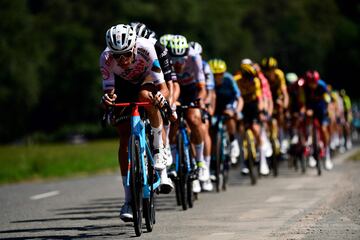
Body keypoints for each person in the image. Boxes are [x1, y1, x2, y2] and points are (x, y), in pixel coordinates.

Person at [99, 24, 173, 222]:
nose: (122, 60)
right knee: (124, 135)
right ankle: (129, 199)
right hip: (122, 86)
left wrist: (160, 99)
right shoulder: (106, 58)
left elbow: (163, 87)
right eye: (117, 55)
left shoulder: (147, 48)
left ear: (133, 47)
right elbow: (109, 91)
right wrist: (108, 100)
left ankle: (158, 148)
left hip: (145, 80)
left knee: (146, 97)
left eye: (125, 54)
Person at [167, 35, 207, 193]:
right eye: (174, 60)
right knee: (173, 122)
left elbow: (202, 87)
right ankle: (172, 161)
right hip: (174, 89)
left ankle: (200, 162)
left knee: (194, 119)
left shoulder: (194, 57)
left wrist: (200, 100)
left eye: (181, 60)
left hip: (191, 90)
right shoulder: (165, 58)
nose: (178, 64)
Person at [189, 41, 216, 191]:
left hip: (201, 98)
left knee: (203, 130)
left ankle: (204, 164)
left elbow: (210, 91)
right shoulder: (183, 64)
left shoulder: (204, 66)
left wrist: (207, 105)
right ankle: (190, 165)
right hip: (187, 96)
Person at [236, 63, 270, 175]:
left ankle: (263, 162)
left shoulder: (255, 81)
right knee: (241, 132)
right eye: (248, 78)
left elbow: (260, 99)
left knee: (256, 130)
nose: (250, 80)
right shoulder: (237, 80)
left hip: (252, 105)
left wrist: (261, 111)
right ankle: (243, 162)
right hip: (241, 106)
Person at [209, 59, 243, 166]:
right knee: (211, 129)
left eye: (220, 74)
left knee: (229, 116)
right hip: (215, 106)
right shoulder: (208, 80)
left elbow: (239, 98)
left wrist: (236, 111)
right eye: (214, 75)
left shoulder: (229, 79)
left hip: (228, 103)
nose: (217, 77)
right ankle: (214, 158)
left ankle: (233, 141)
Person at [299, 70, 333, 170]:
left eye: (314, 83)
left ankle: (327, 155)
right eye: (311, 83)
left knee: (323, 128)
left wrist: (328, 110)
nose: (313, 85)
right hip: (310, 106)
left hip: (321, 106)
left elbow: (327, 99)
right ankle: (310, 140)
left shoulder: (322, 85)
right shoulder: (304, 87)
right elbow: (302, 102)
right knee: (307, 120)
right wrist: (303, 111)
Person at [261, 57, 290, 154]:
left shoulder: (279, 75)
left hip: (277, 96)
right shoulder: (262, 77)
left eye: (271, 70)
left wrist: (285, 105)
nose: (269, 73)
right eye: (267, 70)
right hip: (267, 97)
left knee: (281, 109)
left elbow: (284, 92)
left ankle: (281, 137)